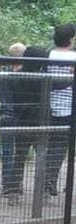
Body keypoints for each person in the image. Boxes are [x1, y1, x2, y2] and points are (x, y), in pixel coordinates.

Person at [3, 45, 51, 202]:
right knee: (43, 157)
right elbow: (58, 86)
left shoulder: (15, 77)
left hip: (21, 121)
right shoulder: (45, 78)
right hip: (41, 122)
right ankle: (43, 191)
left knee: (19, 157)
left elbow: (0, 94)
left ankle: (13, 192)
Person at [41, 22, 76, 199]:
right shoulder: (73, 57)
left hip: (47, 106)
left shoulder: (47, 55)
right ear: (70, 39)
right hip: (68, 107)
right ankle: (49, 180)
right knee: (60, 148)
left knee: (48, 145)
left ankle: (47, 180)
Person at [0, 42, 26, 199]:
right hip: (21, 117)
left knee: (7, 151)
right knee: (20, 151)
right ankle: (16, 183)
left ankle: (7, 184)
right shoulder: (27, 75)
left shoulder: (5, 74)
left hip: (6, 116)